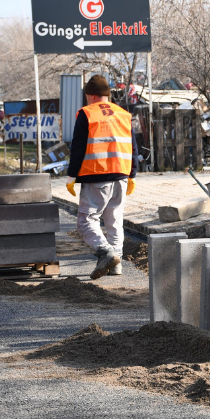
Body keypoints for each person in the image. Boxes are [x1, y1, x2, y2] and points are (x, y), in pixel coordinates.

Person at [65, 75, 138, 279]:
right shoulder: (123, 114)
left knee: (86, 221)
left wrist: (72, 176)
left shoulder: (87, 114)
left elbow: (78, 147)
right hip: (121, 175)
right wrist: (132, 174)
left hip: (97, 174)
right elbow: (133, 146)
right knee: (114, 220)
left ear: (90, 95)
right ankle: (116, 265)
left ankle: (106, 252)